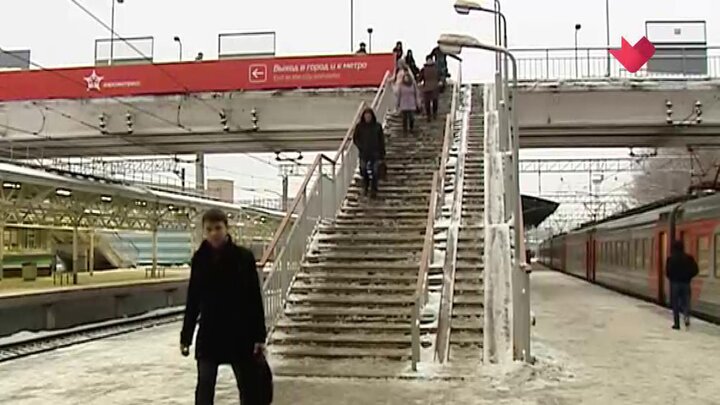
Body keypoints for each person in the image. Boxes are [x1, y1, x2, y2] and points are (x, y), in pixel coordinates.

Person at [180, 208, 269, 405]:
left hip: (240, 332)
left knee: (248, 388)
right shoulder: (200, 260)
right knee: (204, 387)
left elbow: (254, 299)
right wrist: (186, 336)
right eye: (209, 229)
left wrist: (259, 336)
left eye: (218, 228)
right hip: (210, 332)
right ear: (204, 231)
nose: (214, 233)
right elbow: (193, 299)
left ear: (227, 228)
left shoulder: (244, 258)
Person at [666, 239, 699, 330]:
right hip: (686, 283)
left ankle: (676, 324)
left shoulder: (670, 259)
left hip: (675, 284)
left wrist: (672, 278)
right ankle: (686, 317)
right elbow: (696, 270)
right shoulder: (689, 258)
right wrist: (689, 277)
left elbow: (668, 272)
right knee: (686, 302)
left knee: (675, 304)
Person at [352, 107, 386, 198]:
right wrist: (361, 146)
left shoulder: (377, 126)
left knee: (375, 171)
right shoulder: (359, 127)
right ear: (363, 117)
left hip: (375, 152)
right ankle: (366, 184)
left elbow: (381, 140)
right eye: (366, 116)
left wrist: (382, 153)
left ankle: (374, 189)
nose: (368, 118)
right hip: (364, 153)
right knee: (363, 169)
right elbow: (355, 138)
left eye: (369, 116)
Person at [419, 55, 440, 122]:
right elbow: (420, 77)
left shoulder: (435, 68)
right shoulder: (424, 69)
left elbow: (439, 75)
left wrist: (440, 81)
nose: (429, 61)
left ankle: (433, 114)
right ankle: (429, 115)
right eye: (428, 60)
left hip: (433, 86)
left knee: (434, 101)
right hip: (428, 86)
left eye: (430, 59)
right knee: (428, 102)